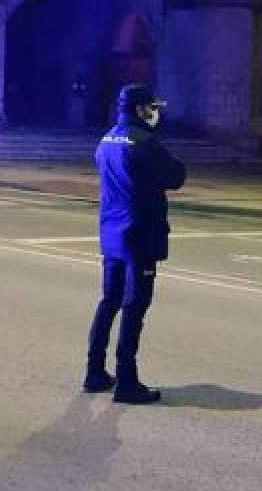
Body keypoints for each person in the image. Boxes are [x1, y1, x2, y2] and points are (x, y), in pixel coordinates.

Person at [83, 83, 186, 404]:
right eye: (152, 107)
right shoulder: (143, 142)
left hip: (112, 233)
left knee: (108, 301)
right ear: (140, 109)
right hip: (139, 235)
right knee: (134, 308)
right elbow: (175, 176)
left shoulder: (107, 139)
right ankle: (127, 380)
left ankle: (94, 371)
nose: (155, 113)